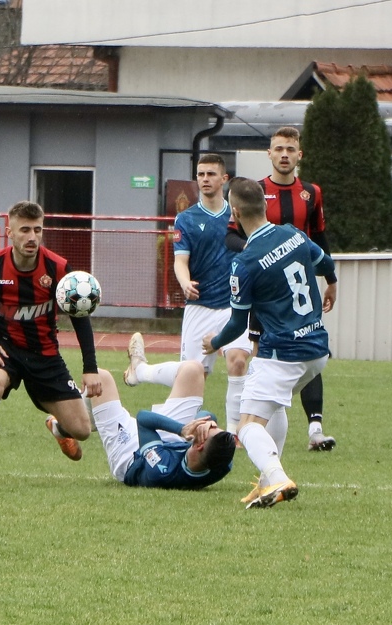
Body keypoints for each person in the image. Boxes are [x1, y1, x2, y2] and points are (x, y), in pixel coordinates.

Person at [0, 201, 102, 486]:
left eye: (37, 230)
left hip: (45, 355)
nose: (32, 237)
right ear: (10, 232)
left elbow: (80, 318)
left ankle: (58, 428)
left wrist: (90, 367)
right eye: (24, 230)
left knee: (81, 430)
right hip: (5, 349)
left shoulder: (57, 268)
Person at [205, 177, 336, 508]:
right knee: (274, 405)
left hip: (282, 353)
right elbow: (326, 262)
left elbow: (237, 321)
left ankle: (277, 478)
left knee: (247, 425)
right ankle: (266, 481)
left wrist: (214, 342)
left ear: (234, 212)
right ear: (264, 204)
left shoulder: (245, 263)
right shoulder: (294, 234)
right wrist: (331, 283)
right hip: (317, 348)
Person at [226, 126, 338, 452]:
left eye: (290, 149)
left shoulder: (311, 193)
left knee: (306, 347)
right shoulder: (255, 192)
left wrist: (331, 279)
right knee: (266, 356)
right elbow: (230, 236)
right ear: (270, 154)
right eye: (279, 149)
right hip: (268, 290)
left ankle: (314, 428)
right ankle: (250, 429)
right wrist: (261, 252)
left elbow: (320, 238)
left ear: (299, 154)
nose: (285, 154)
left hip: (300, 287)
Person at [124, 154, 251, 437]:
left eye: (210, 174)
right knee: (193, 374)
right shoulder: (187, 218)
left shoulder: (238, 215)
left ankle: (233, 433)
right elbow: (180, 260)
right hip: (200, 307)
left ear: (224, 179)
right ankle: (141, 371)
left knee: (239, 360)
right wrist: (184, 282)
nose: (204, 179)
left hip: (236, 305)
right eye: (200, 174)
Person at [61, 347, 235, 489]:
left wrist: (181, 429)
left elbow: (144, 419)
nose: (210, 425)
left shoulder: (161, 471)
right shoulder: (222, 463)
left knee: (100, 378)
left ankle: (69, 425)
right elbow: (207, 417)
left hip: (131, 452)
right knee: (193, 370)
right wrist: (207, 421)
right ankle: (140, 371)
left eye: (209, 430)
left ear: (200, 444)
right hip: (173, 441)